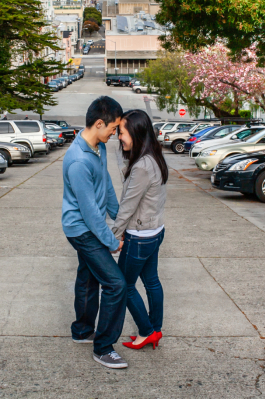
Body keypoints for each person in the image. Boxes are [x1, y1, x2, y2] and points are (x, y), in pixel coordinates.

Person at [62, 96, 128, 369]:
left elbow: (108, 188)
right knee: (115, 284)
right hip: (81, 229)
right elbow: (89, 213)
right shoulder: (78, 160)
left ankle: (82, 331)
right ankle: (103, 347)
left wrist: (121, 217)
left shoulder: (96, 148)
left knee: (88, 279)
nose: (114, 134)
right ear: (99, 123)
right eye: (113, 128)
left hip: (91, 225)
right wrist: (112, 242)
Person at [112, 109, 168, 351]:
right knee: (152, 281)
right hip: (154, 231)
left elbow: (127, 207)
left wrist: (112, 237)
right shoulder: (153, 157)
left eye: (121, 133)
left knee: (124, 286)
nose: (118, 137)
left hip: (140, 237)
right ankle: (155, 329)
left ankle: (147, 331)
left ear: (135, 133)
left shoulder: (142, 166)